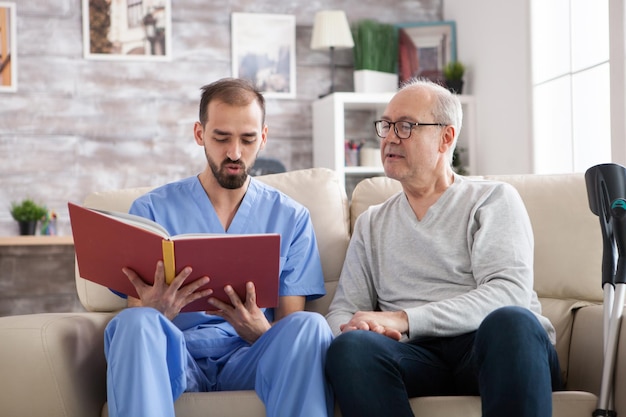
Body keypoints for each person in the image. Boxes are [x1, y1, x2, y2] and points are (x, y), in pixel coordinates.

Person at [324, 78, 561, 417]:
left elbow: (509, 293)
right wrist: (356, 328)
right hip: (416, 357)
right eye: (386, 125)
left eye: (406, 126)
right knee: (349, 348)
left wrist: (406, 318)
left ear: (445, 137)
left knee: (512, 321)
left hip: (493, 348)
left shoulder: (492, 200)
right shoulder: (372, 222)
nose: (390, 137)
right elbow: (343, 311)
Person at [104, 78, 334, 417]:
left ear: (264, 137)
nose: (235, 153)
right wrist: (157, 314)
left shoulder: (291, 217)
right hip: (176, 355)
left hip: (251, 357)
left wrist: (259, 332)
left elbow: (291, 325)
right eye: (221, 138)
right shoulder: (150, 210)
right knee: (134, 323)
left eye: (248, 139)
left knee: (312, 327)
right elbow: (137, 310)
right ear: (200, 134)